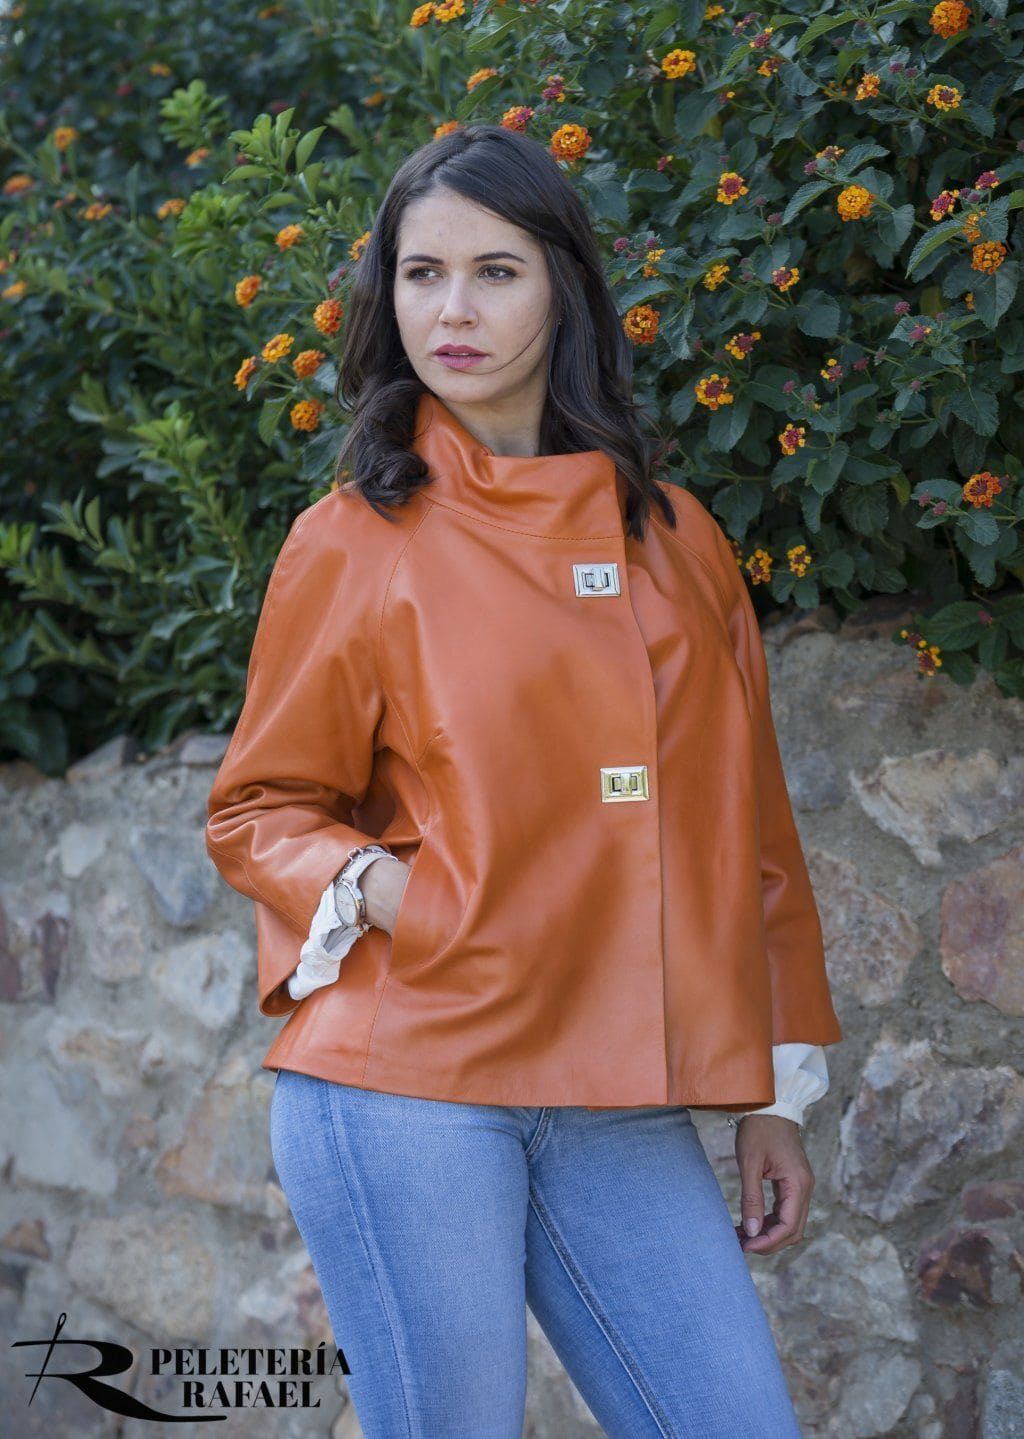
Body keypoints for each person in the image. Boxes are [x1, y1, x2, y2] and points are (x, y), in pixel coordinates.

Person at [206, 123, 844, 1438]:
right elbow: (260, 808)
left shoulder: (681, 544)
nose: (454, 309)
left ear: (564, 286)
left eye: (495, 271)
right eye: (422, 273)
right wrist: (391, 892)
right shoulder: (354, 539)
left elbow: (750, 828)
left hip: (615, 1101)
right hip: (412, 1079)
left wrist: (772, 1097)